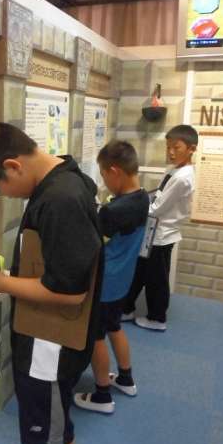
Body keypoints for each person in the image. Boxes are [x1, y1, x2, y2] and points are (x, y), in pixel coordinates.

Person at [0, 122, 102, 444]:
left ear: (13, 166)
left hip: (52, 340)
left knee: (54, 420)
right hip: (40, 328)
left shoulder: (61, 199)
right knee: (39, 407)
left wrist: (2, 283)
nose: (1, 195)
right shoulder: (58, 181)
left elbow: (71, 292)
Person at [73, 140, 149, 413]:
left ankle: (102, 395)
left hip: (105, 282)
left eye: (104, 176)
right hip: (122, 280)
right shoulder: (142, 197)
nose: (104, 182)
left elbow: (90, 241)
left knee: (96, 337)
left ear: (114, 171)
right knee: (114, 326)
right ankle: (126, 379)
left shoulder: (114, 210)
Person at [122, 124, 198, 331]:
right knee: (139, 272)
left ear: (191, 149)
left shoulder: (182, 178)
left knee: (156, 280)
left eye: (176, 147)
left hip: (162, 236)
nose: (171, 152)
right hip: (153, 233)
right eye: (168, 147)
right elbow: (158, 196)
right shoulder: (174, 170)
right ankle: (126, 308)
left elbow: (156, 209)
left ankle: (157, 319)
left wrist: (130, 206)